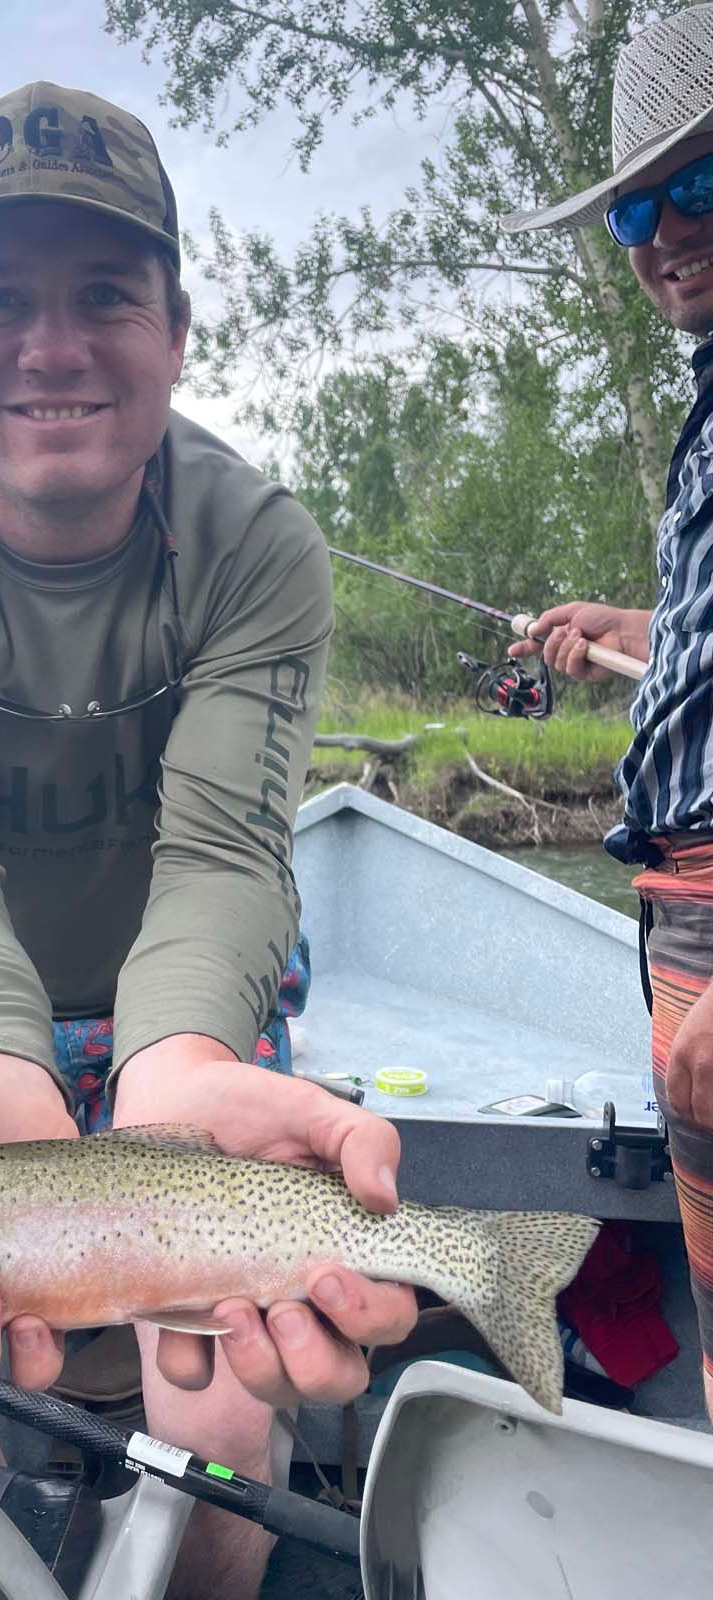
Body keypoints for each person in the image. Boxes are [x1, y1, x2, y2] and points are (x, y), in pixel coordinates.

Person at [0, 83, 416, 1599]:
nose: (53, 346)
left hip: (188, 1000)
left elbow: (219, 855)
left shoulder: (257, 542)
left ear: (178, 330)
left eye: (106, 296)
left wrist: (175, 1060)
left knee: (216, 1399)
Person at [505, 5, 713, 1423]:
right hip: (680, 926)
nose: (661, 232)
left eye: (699, 184)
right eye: (640, 202)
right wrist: (640, 633)